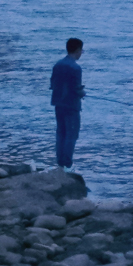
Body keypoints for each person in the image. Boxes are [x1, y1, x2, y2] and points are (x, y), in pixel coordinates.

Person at [50, 37, 85, 169]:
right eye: (81, 50)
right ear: (77, 50)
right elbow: (77, 89)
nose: (81, 53)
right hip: (71, 105)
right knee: (71, 134)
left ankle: (60, 163)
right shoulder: (76, 68)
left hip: (58, 104)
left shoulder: (57, 65)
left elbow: (52, 84)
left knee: (60, 133)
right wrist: (83, 93)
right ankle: (67, 164)